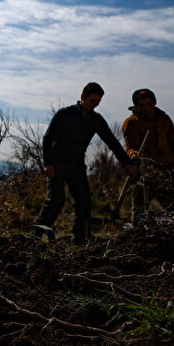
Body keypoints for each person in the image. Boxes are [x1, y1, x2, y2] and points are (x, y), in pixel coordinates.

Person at [34, 82, 138, 244]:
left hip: (77, 166)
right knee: (56, 201)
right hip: (57, 163)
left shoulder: (96, 120)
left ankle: (81, 242)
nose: (94, 104)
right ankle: (33, 238)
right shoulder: (65, 114)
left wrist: (127, 164)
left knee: (84, 204)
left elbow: (112, 142)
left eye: (98, 102)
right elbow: (48, 139)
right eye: (92, 100)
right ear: (83, 97)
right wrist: (47, 163)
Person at [121, 88, 174, 213]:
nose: (146, 108)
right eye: (142, 105)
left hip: (166, 172)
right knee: (140, 213)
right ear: (136, 106)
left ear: (154, 103)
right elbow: (130, 147)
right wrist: (134, 155)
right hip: (144, 174)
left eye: (149, 104)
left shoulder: (164, 119)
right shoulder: (132, 122)